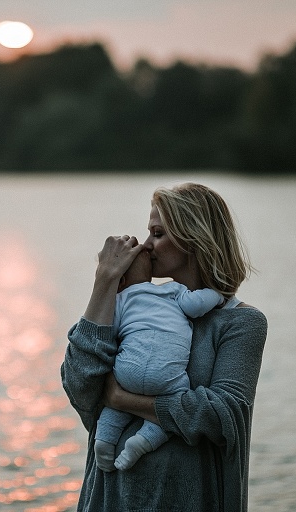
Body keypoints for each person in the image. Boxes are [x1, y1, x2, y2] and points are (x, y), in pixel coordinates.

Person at [61, 182, 267, 511]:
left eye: (157, 233)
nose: (146, 245)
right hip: (109, 499)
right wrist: (105, 280)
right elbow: (80, 389)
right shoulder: (138, 305)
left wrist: (122, 399)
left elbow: (222, 416)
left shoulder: (240, 323)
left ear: (193, 238)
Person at [94, 249, 223, 472]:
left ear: (122, 280)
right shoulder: (172, 291)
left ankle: (103, 443)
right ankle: (142, 442)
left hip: (128, 371)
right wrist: (219, 295)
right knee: (175, 402)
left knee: (114, 410)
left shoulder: (121, 299)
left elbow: (106, 331)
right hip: (166, 376)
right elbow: (197, 304)